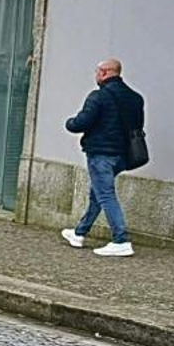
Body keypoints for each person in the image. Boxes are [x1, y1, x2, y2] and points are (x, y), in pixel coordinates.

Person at [61, 57, 144, 257]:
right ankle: (79, 233)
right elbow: (137, 126)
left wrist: (70, 122)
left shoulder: (98, 97)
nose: (96, 76)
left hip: (101, 154)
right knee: (97, 194)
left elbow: (82, 122)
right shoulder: (135, 98)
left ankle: (121, 240)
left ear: (104, 72)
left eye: (97, 72)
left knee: (105, 194)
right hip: (122, 156)